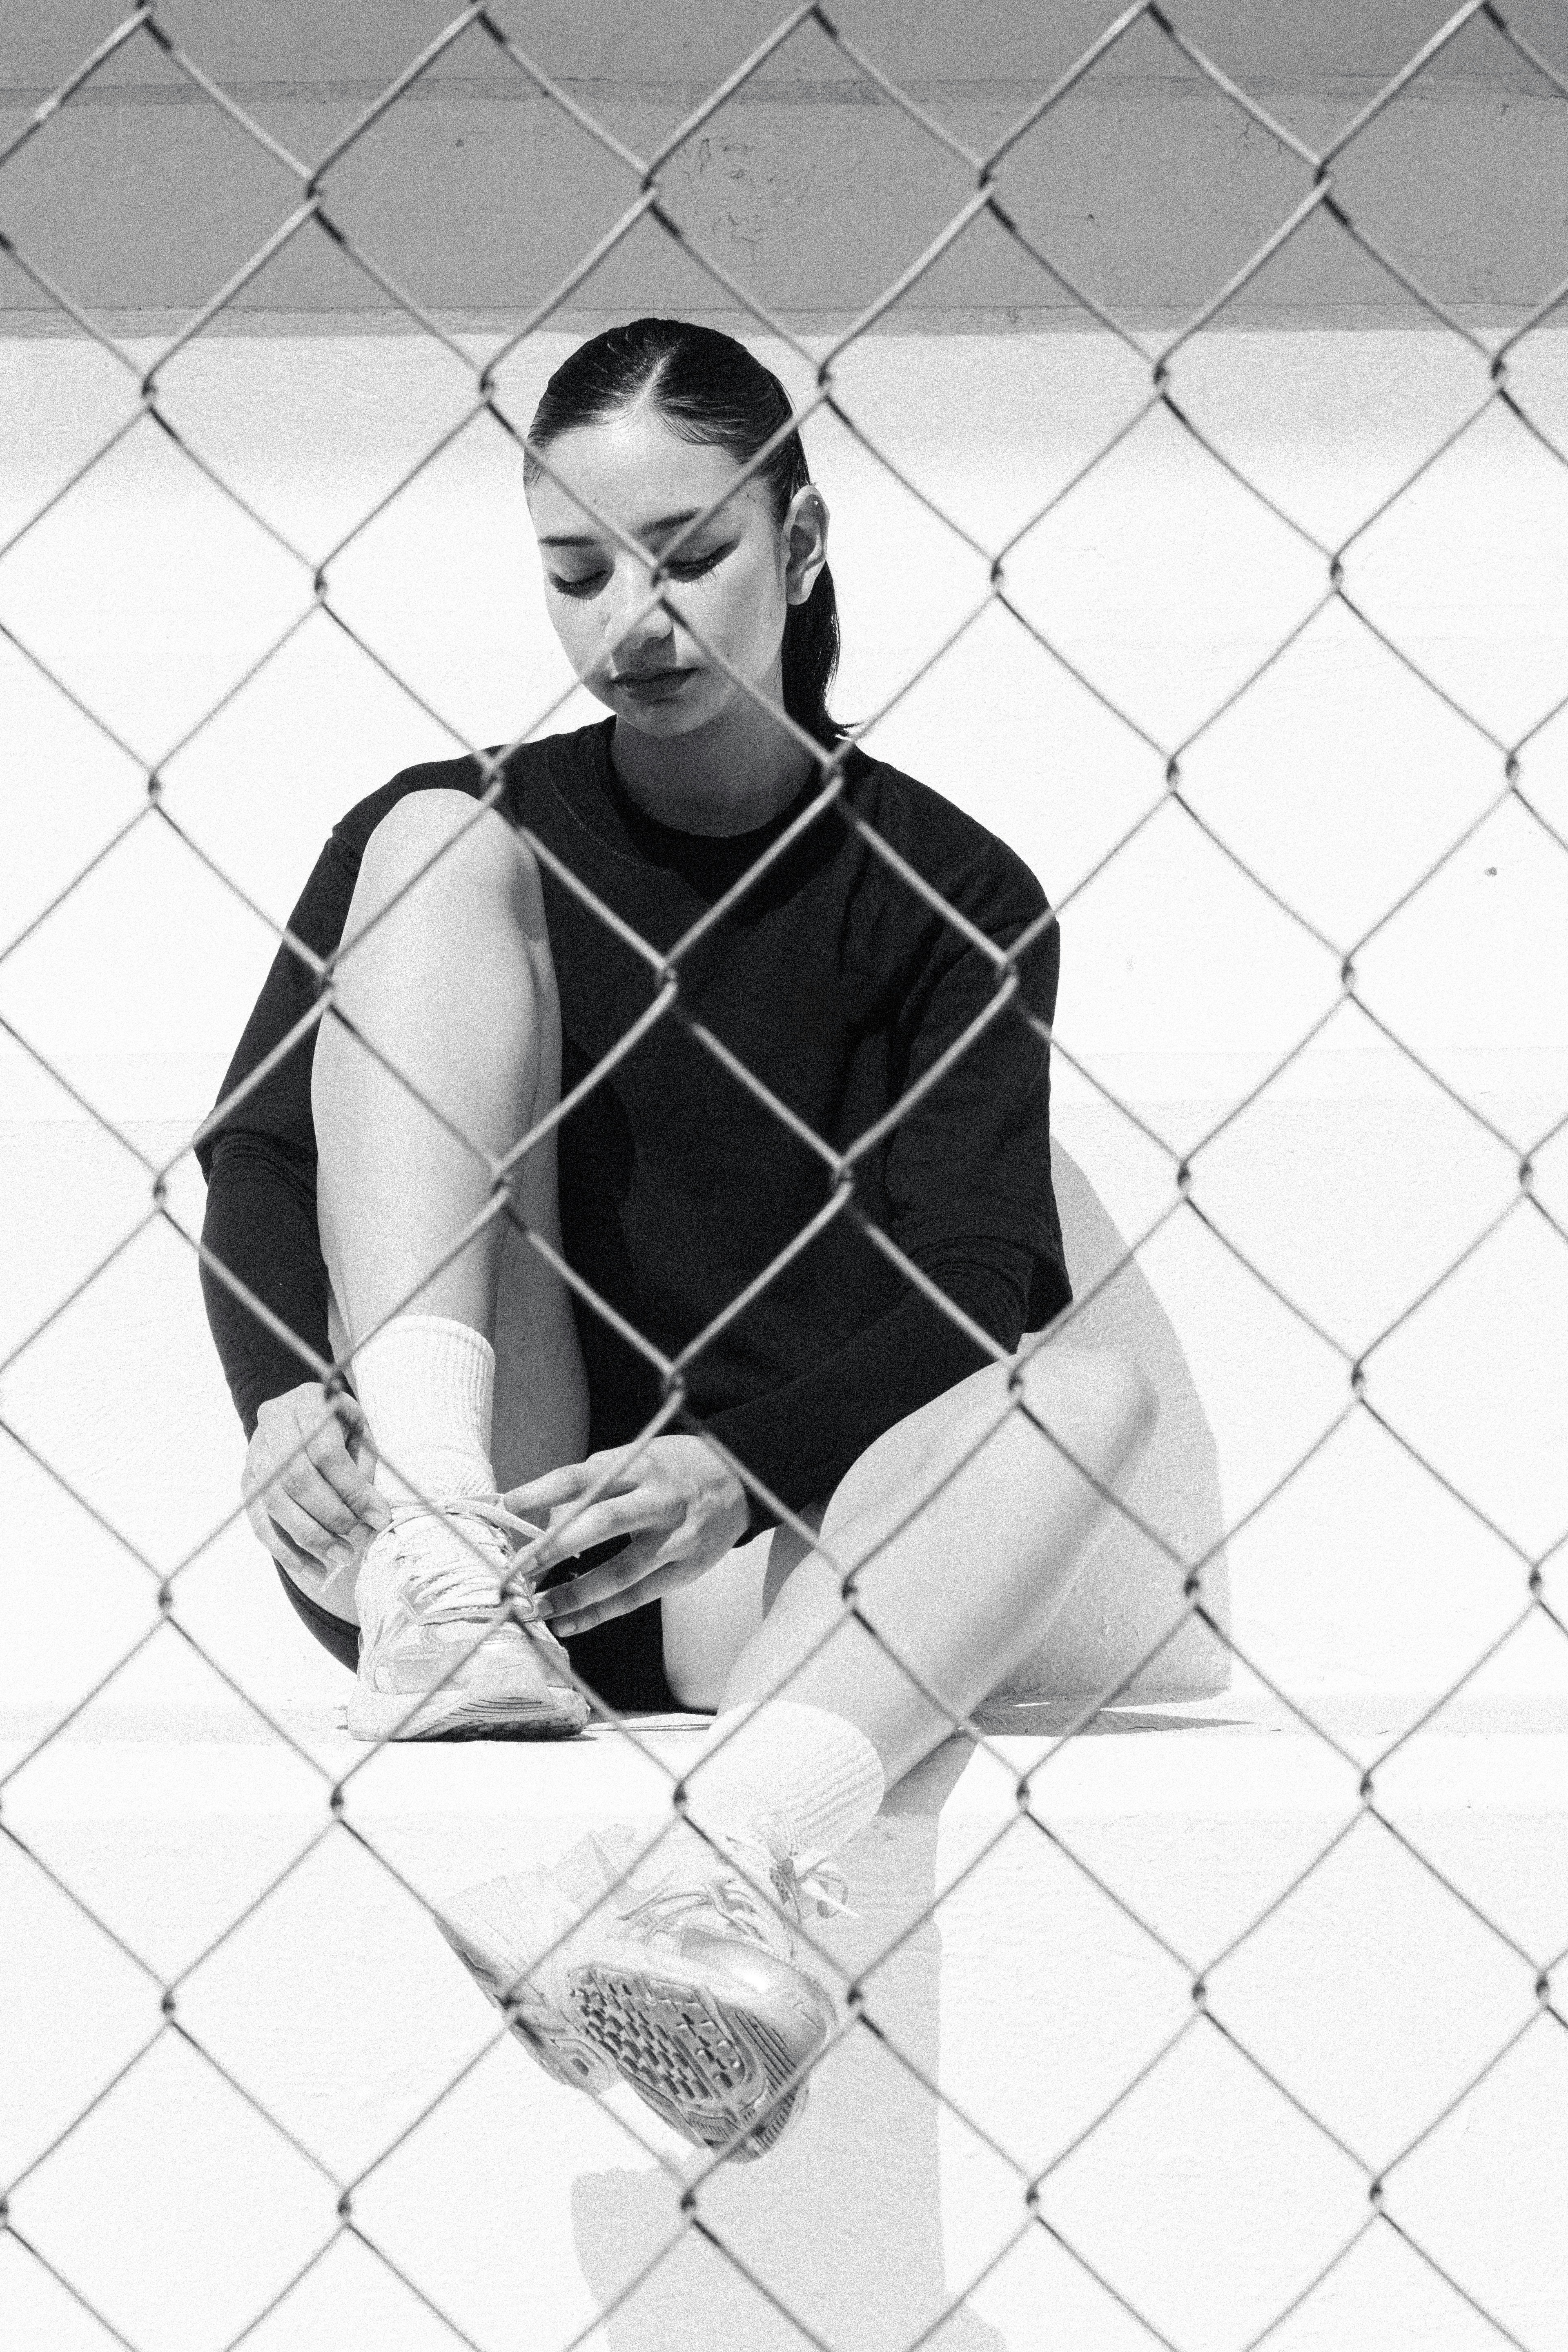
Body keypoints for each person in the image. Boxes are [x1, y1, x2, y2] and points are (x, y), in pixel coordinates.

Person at [198, 317, 1155, 2162]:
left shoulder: (950, 891)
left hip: (758, 1564)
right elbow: (255, 1155)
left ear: (799, 548)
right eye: (576, 571)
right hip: (461, 1523)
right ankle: (446, 1556)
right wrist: (272, 1404)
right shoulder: (472, 832)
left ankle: (705, 1883)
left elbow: (978, 1270)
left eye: (687, 554)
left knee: (1087, 1389)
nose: (629, 617)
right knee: (427, 841)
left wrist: (735, 1470)